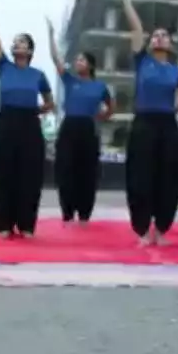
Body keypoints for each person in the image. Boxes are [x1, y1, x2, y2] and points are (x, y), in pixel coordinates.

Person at [110, 0, 178, 246]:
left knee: (168, 177)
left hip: (167, 126)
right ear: (150, 43)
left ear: (170, 44)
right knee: (140, 176)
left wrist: (176, 107)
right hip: (143, 125)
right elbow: (135, 27)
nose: (158, 37)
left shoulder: (175, 71)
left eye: (164, 35)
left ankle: (160, 229)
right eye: (155, 35)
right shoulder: (142, 61)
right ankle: (141, 229)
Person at [0, 0, 54, 238]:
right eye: (15, 42)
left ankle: (25, 224)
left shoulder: (38, 75)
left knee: (29, 174)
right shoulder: (4, 66)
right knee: (2, 172)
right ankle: (3, 223)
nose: (16, 44)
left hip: (29, 124)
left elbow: (49, 102)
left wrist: (36, 111)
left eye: (21, 42)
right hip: (5, 122)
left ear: (30, 51)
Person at [46, 18, 114, 224]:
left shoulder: (100, 86)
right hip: (69, 127)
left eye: (82, 60)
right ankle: (67, 212)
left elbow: (111, 107)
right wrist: (51, 35)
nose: (77, 63)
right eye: (76, 60)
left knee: (87, 172)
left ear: (91, 65)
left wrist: (100, 117)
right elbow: (56, 60)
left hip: (88, 129)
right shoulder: (70, 81)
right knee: (65, 169)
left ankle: (84, 213)